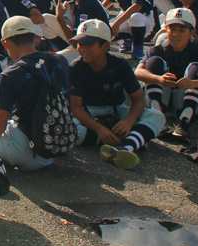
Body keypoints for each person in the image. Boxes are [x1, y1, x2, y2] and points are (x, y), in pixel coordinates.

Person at [0, 16, 67, 171]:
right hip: (53, 147)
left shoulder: (9, 75)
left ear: (5, 43)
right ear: (36, 39)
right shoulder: (60, 61)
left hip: (21, 151)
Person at [68, 19, 165, 170]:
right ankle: (132, 138)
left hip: (117, 111)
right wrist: (99, 129)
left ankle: (125, 148)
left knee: (157, 116)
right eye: (80, 43)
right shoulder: (76, 67)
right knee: (67, 130)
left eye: (88, 44)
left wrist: (129, 120)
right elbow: (76, 108)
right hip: (88, 114)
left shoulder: (119, 63)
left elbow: (138, 100)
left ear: (106, 45)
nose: (82, 48)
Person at [135, 8, 198, 142]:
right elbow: (138, 72)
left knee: (196, 68)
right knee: (154, 63)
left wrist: (193, 83)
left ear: (192, 33)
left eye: (182, 30)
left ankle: (184, 123)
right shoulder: (158, 49)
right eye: (172, 29)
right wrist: (159, 79)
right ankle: (158, 118)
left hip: (185, 99)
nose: (176, 34)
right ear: (166, 29)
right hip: (163, 97)